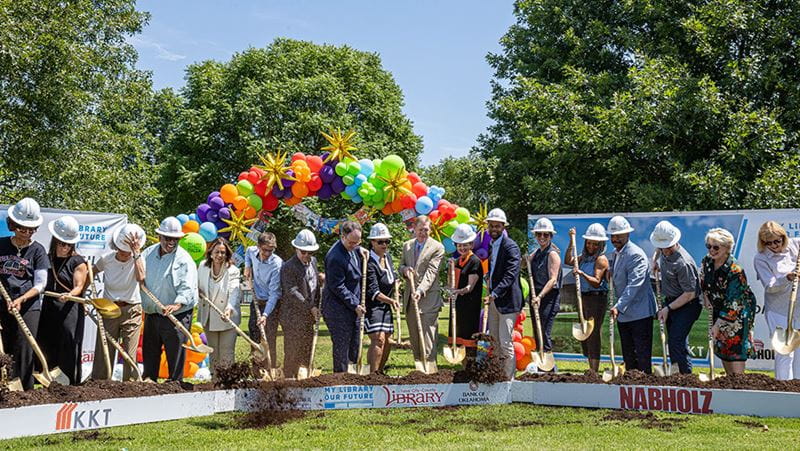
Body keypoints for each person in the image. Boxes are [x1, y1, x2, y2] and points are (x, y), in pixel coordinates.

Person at [0, 198, 50, 390]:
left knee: (23, 348)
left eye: (32, 230)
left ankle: (24, 392)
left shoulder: (38, 251)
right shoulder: (1, 245)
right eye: (23, 229)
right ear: (13, 225)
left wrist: (21, 299)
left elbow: (40, 284)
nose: (27, 234)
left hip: (28, 306)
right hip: (2, 303)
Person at [142, 217, 198, 382]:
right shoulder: (148, 254)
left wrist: (177, 304)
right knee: (150, 351)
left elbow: (188, 286)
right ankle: (149, 383)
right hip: (153, 313)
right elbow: (139, 276)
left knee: (175, 353)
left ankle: (175, 385)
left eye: (175, 239)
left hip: (177, 313)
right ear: (160, 237)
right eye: (167, 238)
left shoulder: (184, 260)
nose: (171, 242)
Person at [91, 223, 146, 382]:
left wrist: (136, 254)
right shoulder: (106, 260)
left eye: (128, 251)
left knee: (129, 352)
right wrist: (84, 294)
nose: (124, 253)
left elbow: (141, 278)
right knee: (104, 349)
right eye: (122, 249)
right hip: (109, 308)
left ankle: (130, 386)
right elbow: (91, 273)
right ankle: (99, 384)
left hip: (132, 309)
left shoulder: (138, 259)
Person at [40, 216, 88, 385]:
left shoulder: (78, 261)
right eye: (62, 243)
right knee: (47, 341)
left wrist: (69, 295)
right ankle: (49, 380)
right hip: (49, 306)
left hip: (69, 308)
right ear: (55, 241)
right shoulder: (46, 258)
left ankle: (70, 382)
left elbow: (79, 286)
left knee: (68, 343)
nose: (65, 248)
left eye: (69, 244)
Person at [701, 227, 756, 375]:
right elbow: (703, 281)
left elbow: (734, 303)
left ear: (727, 248)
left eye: (716, 247)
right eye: (709, 246)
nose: (711, 250)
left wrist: (718, 325)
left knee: (734, 350)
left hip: (737, 314)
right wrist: (706, 297)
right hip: (718, 308)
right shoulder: (707, 262)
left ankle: (738, 386)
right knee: (723, 348)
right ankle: (729, 385)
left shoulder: (735, 270)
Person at [650, 220, 702, 374]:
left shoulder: (683, 263)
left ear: (675, 242)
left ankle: (685, 377)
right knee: (672, 342)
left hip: (688, 304)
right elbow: (658, 249)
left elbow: (689, 293)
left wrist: (667, 309)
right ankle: (675, 373)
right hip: (671, 301)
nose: (665, 251)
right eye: (662, 247)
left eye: (668, 247)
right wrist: (654, 260)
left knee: (676, 340)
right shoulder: (662, 249)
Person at [607, 215, 657, 374]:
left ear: (627, 234)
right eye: (612, 236)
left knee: (641, 357)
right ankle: (631, 390)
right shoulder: (616, 254)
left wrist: (618, 306)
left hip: (640, 314)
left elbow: (634, 285)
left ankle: (645, 390)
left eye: (618, 235)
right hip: (624, 314)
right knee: (629, 357)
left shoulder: (635, 254)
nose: (615, 239)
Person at [753, 221, 800, 380]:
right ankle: (784, 389)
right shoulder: (760, 258)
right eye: (768, 243)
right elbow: (770, 286)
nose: (773, 245)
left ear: (783, 237)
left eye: (777, 241)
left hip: (798, 307)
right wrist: (786, 278)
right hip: (778, 310)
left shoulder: (795, 245)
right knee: (785, 351)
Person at [399, 215, 445, 373]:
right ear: (414, 229)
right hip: (410, 299)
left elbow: (431, 273)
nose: (423, 233)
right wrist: (404, 270)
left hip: (428, 298)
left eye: (426, 230)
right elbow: (401, 266)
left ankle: (431, 371)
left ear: (430, 229)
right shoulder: (407, 246)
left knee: (427, 335)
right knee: (415, 337)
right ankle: (419, 371)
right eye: (420, 230)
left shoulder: (437, 248)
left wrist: (420, 290)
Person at [322, 221, 366, 373]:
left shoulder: (353, 248)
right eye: (352, 242)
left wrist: (360, 248)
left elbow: (355, 248)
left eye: (358, 241)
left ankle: (353, 377)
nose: (354, 245)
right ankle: (340, 381)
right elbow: (337, 286)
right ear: (342, 237)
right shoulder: (335, 257)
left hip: (351, 309)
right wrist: (355, 304)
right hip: (337, 310)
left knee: (355, 345)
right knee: (342, 349)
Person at [565, 223, 609, 373]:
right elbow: (568, 260)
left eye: (595, 244)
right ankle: (589, 366)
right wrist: (571, 242)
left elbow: (597, 282)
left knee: (593, 332)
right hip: (583, 298)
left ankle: (594, 369)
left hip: (597, 299)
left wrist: (582, 274)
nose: (591, 246)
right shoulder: (583, 258)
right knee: (585, 332)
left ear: (601, 244)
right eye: (589, 243)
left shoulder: (601, 260)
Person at [485, 208, 523, 379]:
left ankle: (509, 378)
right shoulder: (492, 245)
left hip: (507, 302)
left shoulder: (511, 246)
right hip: (494, 299)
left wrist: (496, 292)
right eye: (491, 226)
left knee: (505, 340)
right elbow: (496, 269)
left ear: (503, 227)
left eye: (497, 226)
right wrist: (489, 278)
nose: (494, 229)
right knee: (494, 340)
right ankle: (498, 373)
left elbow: (511, 273)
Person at [279, 229, 322, 378]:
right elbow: (292, 291)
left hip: (309, 317)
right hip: (292, 318)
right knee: (292, 353)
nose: (306, 255)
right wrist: (310, 307)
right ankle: (289, 381)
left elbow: (314, 286)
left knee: (307, 352)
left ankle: (305, 380)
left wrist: (315, 306)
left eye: (310, 252)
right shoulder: (288, 267)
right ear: (296, 249)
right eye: (303, 252)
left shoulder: (314, 262)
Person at [197, 237, 240, 374]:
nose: (220, 255)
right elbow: (197, 285)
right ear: (211, 253)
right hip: (209, 317)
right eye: (217, 252)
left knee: (226, 352)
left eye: (223, 252)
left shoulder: (232, 270)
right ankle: (215, 383)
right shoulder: (203, 267)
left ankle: (228, 383)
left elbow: (234, 291)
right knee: (213, 352)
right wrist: (196, 291)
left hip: (227, 317)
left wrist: (229, 309)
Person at [364, 223, 399, 374]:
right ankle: (372, 374)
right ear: (372, 242)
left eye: (387, 241)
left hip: (386, 306)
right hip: (373, 306)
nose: (384, 244)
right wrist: (392, 301)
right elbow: (373, 291)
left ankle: (380, 372)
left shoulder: (388, 257)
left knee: (388, 341)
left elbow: (393, 277)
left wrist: (397, 281)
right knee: (378, 339)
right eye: (380, 242)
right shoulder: (369, 262)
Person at [527, 217, 562, 371]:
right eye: (539, 234)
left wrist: (540, 296)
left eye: (545, 235)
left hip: (548, 298)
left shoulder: (552, 255)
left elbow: (553, 280)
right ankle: (542, 366)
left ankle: (550, 369)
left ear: (550, 236)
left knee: (544, 332)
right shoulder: (536, 253)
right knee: (537, 331)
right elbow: (525, 263)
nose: (542, 237)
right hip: (535, 298)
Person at [247, 232, 282, 370]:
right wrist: (247, 267)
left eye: (271, 250)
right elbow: (248, 253)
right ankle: (257, 371)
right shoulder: (252, 251)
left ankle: (270, 369)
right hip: (256, 300)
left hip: (272, 305)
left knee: (268, 338)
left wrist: (265, 315)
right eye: (265, 250)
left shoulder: (277, 265)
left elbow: (274, 294)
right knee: (254, 336)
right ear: (258, 246)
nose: (267, 253)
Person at [450, 224, 483, 362]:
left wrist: (457, 292)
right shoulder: (457, 261)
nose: (462, 248)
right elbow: (452, 283)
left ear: (471, 244)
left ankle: (470, 365)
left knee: (469, 339)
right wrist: (450, 269)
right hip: (458, 306)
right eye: (459, 245)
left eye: (465, 245)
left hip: (470, 308)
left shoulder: (475, 261)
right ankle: (463, 365)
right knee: (458, 337)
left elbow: (469, 287)